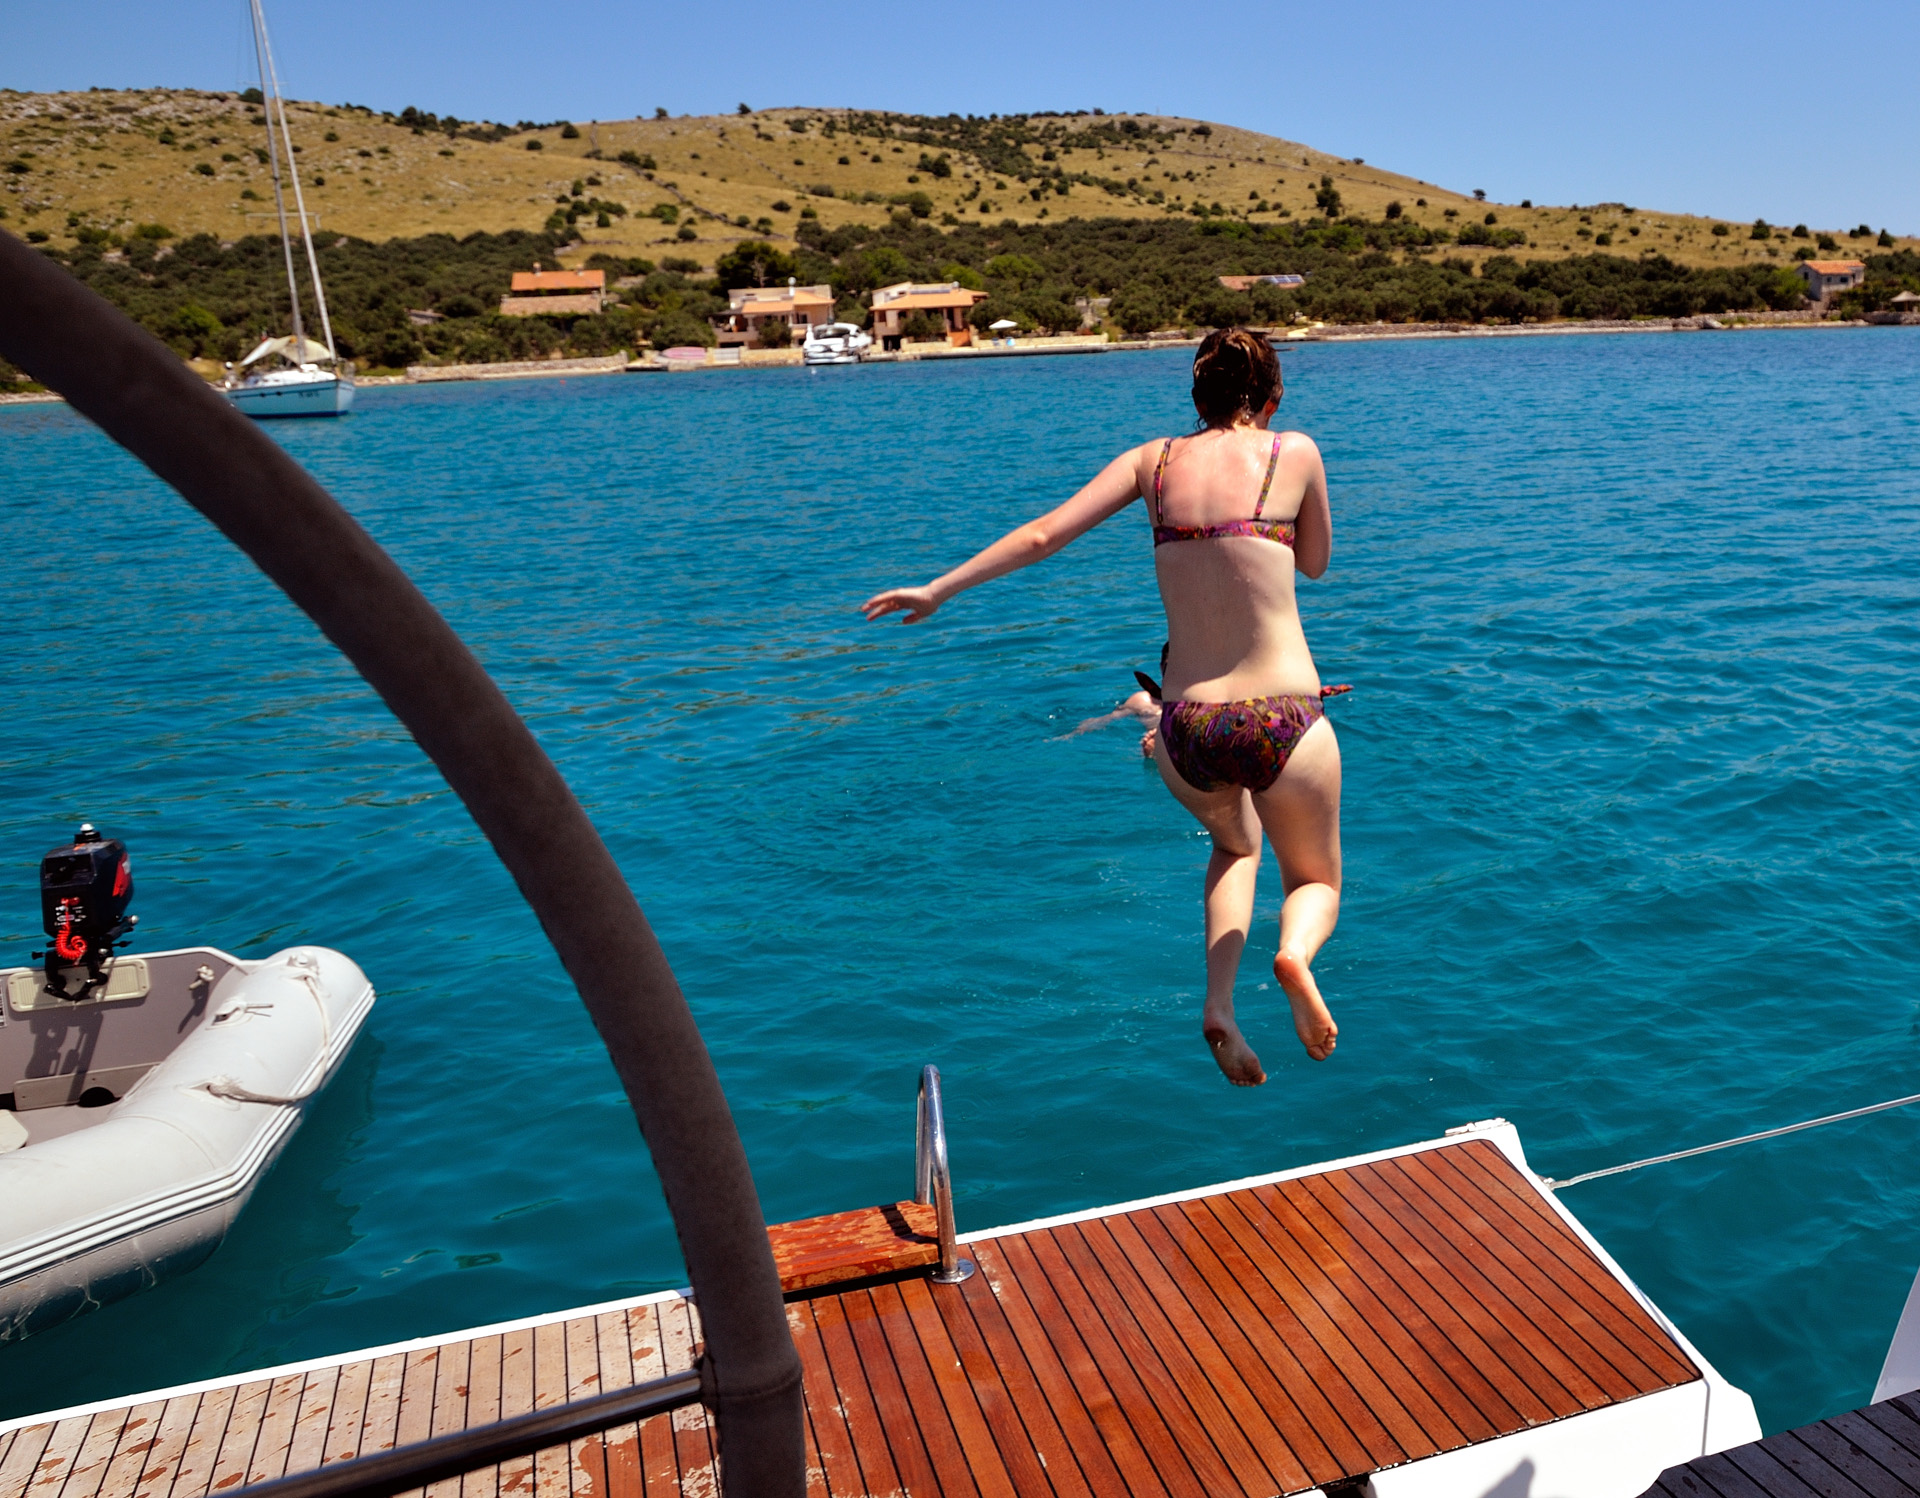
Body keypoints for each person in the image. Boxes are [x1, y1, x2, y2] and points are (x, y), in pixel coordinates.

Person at [862, 329, 1342, 1086]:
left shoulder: (1150, 462)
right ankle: (1294, 955)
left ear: (1195, 398)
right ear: (1273, 398)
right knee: (1314, 881)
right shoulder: (1296, 452)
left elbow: (1043, 534)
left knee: (1235, 850)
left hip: (1185, 726)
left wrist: (938, 589)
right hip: (1283, 713)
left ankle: (1220, 1003)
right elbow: (1314, 563)